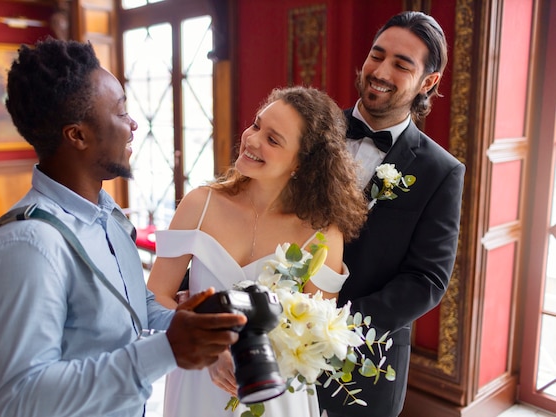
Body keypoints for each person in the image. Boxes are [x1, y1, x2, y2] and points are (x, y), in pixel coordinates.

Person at [0, 38, 247, 417]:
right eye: (119, 113)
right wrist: (166, 351)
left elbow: (134, 306)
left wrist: (185, 323)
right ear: (77, 135)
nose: (133, 125)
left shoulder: (108, 214)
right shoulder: (26, 245)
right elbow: (21, 399)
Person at [146, 86, 369, 417]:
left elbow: (317, 335)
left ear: (302, 165)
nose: (251, 139)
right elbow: (156, 294)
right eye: (256, 125)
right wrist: (207, 348)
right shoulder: (199, 204)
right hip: (197, 383)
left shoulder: (322, 235)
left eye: (273, 139)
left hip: (274, 395)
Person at [316, 11, 466, 417]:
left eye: (402, 64)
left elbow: (427, 280)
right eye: (376, 55)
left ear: (428, 81)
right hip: (277, 342)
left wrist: (330, 325)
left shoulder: (442, 171)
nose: (379, 71)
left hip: (367, 364)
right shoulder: (313, 130)